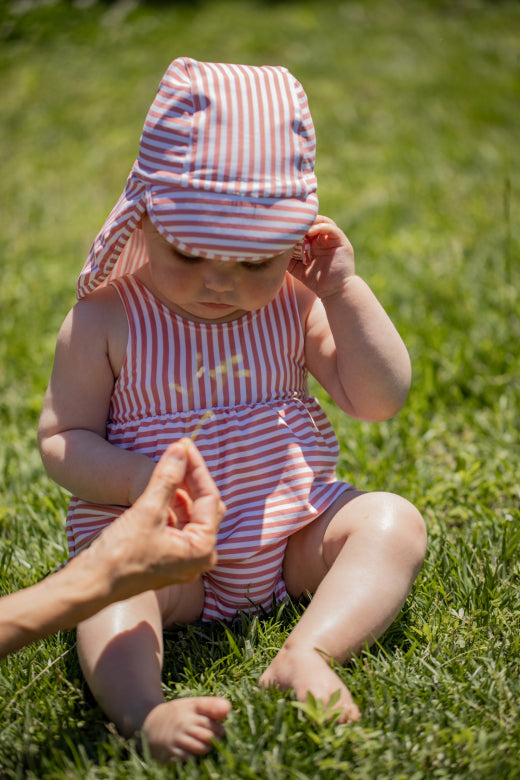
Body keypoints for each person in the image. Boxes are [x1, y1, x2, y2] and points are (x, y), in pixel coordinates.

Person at [38, 57, 427, 763]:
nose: (219, 282)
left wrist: (344, 293)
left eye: (253, 260)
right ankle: (143, 709)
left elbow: (379, 398)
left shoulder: (295, 303)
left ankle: (307, 653)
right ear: (146, 216)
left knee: (391, 521)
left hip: (289, 535)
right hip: (166, 549)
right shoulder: (105, 320)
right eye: (187, 252)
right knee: (105, 587)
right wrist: (136, 485)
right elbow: (62, 438)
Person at [0, 439, 225, 660]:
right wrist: (137, 478)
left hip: (259, 543)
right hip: (146, 530)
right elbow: (62, 437)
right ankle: (138, 697)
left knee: (116, 585)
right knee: (123, 594)